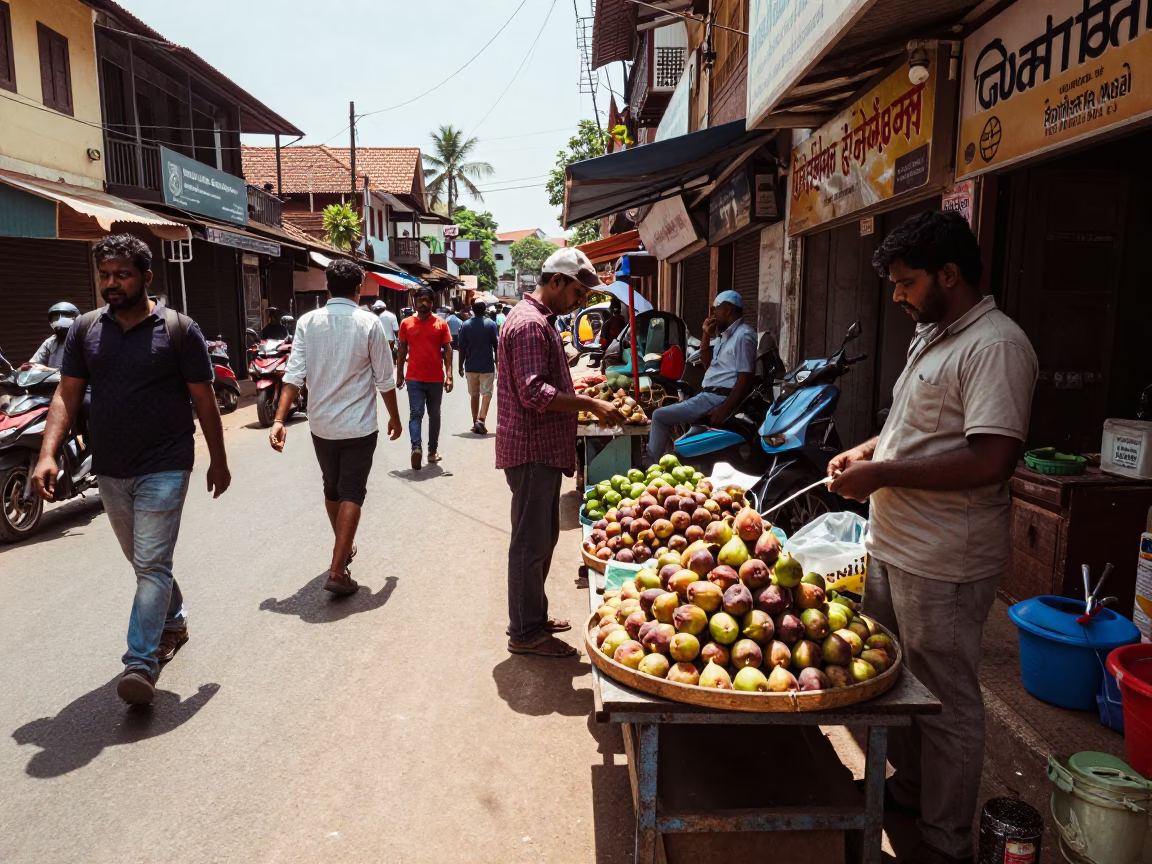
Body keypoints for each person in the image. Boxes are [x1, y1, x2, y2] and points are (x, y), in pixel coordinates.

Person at [827, 211, 1038, 864]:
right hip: (895, 544)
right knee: (898, 681)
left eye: (907, 282)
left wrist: (880, 473)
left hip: (943, 559)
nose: (897, 296)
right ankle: (910, 791)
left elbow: (990, 459)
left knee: (945, 701)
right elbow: (909, 433)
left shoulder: (996, 346)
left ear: (950, 275)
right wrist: (865, 455)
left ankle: (944, 843)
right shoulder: (935, 335)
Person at [31, 234, 231, 706]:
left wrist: (218, 461)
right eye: (104, 275)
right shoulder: (84, 330)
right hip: (111, 466)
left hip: (166, 463)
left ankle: (140, 663)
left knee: (151, 563)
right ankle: (174, 619)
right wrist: (47, 453)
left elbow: (204, 398)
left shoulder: (179, 330)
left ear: (146, 276)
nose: (111, 283)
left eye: (121, 274)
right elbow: (67, 393)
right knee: (144, 563)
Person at [497, 248, 625, 658]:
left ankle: (531, 616)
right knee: (531, 543)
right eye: (577, 291)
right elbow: (535, 392)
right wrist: (591, 405)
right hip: (533, 450)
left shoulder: (538, 321)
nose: (581, 300)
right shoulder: (531, 325)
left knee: (542, 538)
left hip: (540, 449)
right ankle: (526, 631)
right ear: (555, 282)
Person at [271, 258, 402, 596]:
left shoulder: (307, 322)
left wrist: (279, 419)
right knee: (352, 491)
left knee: (333, 489)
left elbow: (293, 375)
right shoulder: (369, 324)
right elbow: (385, 380)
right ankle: (337, 568)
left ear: (328, 287)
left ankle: (343, 550)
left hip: (322, 425)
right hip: (359, 427)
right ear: (359, 289)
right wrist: (395, 417)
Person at [645, 290, 756, 464]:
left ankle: (651, 464)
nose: (712, 315)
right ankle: (666, 461)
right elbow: (706, 363)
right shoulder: (723, 336)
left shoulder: (744, 335)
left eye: (715, 311)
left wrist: (725, 408)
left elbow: (745, 376)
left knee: (659, 416)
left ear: (727, 310)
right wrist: (705, 335)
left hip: (717, 397)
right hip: (707, 395)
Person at [396, 285, 453, 470]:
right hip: (414, 378)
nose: (424, 303)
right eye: (420, 300)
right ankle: (416, 449)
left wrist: (450, 375)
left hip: (436, 378)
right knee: (416, 413)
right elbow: (402, 350)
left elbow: (448, 350)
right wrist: (399, 374)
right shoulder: (406, 323)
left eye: (427, 300)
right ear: (415, 302)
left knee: (434, 415)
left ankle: (432, 451)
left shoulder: (441, 323)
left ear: (432, 303)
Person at [458, 298, 499, 435]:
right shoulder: (491, 324)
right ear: (485, 309)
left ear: (472, 309)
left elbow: (462, 348)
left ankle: (475, 421)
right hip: (487, 366)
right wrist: (498, 364)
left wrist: (460, 365)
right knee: (487, 394)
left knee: (474, 395)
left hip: (470, 366)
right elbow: (496, 346)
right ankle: (481, 419)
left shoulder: (465, 325)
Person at [30, 302, 80, 366]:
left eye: (66, 316)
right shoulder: (50, 343)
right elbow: (33, 364)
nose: (60, 320)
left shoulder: (83, 340)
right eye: (56, 318)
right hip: (54, 376)